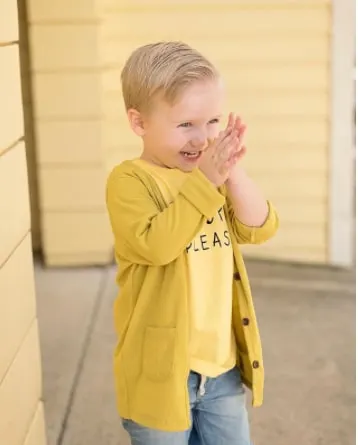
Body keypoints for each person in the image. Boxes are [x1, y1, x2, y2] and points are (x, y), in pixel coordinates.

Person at [106, 41, 279, 445]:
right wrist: (207, 179)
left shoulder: (211, 177)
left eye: (213, 121)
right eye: (186, 124)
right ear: (139, 122)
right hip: (161, 374)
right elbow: (156, 246)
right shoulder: (130, 181)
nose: (202, 139)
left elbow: (260, 227)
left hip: (221, 368)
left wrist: (233, 174)